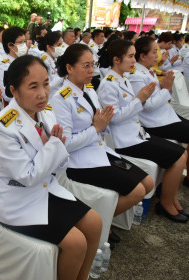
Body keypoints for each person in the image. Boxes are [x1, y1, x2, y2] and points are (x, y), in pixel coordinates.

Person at [0, 55, 102, 280]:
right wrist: (54, 147)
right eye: (33, 87)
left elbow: (59, 164)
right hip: (18, 201)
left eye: (46, 84)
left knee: (95, 223)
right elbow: (28, 176)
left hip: (45, 188)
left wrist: (56, 150)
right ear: (14, 90)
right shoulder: (2, 126)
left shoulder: (45, 112)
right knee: (76, 243)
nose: (42, 93)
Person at [51, 44, 154, 245]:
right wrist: (96, 129)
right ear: (70, 68)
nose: (92, 71)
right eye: (86, 66)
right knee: (138, 191)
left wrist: (101, 126)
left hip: (98, 150)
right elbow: (67, 144)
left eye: (93, 65)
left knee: (148, 183)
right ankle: (97, 226)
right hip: (78, 162)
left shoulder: (88, 89)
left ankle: (101, 221)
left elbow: (102, 122)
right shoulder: (60, 98)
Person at [98, 39, 188, 223]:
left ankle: (171, 200)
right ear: (116, 59)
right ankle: (166, 204)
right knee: (179, 157)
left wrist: (140, 100)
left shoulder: (123, 78)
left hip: (137, 134)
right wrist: (140, 100)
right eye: (130, 56)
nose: (134, 60)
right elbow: (113, 118)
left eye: (133, 56)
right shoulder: (108, 84)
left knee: (180, 154)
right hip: (124, 141)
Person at [129, 36, 189, 186]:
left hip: (164, 117)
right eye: (154, 52)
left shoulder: (147, 71)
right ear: (143, 56)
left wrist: (163, 90)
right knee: (179, 153)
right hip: (155, 123)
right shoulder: (136, 76)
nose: (157, 56)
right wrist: (166, 90)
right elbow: (146, 106)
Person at [0, 26, 27, 102]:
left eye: (24, 42)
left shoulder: (26, 62)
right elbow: (7, 95)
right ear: (10, 45)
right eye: (20, 42)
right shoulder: (4, 67)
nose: (24, 45)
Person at [37, 31, 63, 99]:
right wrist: (63, 76)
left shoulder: (55, 59)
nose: (61, 47)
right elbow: (45, 87)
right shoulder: (43, 62)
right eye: (58, 45)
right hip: (49, 99)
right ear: (49, 47)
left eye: (61, 44)